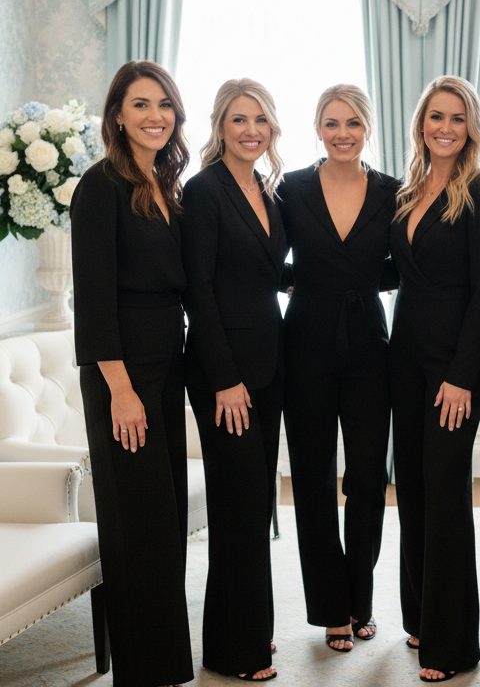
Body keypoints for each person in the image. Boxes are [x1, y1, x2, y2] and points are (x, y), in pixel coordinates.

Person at [70, 60, 193, 687]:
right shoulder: (100, 186)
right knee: (134, 521)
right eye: (141, 105)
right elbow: (93, 303)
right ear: (117, 114)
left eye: (164, 104)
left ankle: (167, 664)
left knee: (163, 518)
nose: (155, 116)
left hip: (164, 371)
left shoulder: (165, 184)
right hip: (124, 377)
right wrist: (120, 390)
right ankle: (142, 671)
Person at [389, 75, 480, 683]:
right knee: (411, 492)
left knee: (445, 495)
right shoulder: (408, 192)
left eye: (457, 118)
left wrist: (463, 375)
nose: (444, 127)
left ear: (470, 127)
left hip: (454, 366)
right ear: (421, 123)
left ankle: (453, 644)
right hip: (403, 358)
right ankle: (419, 617)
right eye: (435, 116)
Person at [278, 84, 398, 652]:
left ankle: (362, 600)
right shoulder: (291, 187)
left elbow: (410, 264)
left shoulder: (393, 192)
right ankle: (330, 607)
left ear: (367, 127)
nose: (342, 133)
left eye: (352, 122)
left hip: (371, 346)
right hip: (304, 342)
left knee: (369, 478)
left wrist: (360, 283)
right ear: (318, 128)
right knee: (313, 478)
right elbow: (263, 254)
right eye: (331, 123)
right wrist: (302, 282)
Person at [181, 78, 286, 682]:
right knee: (237, 504)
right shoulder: (204, 192)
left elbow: (264, 270)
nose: (251, 130)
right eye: (239, 120)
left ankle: (252, 630)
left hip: (267, 365)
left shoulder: (266, 191)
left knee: (254, 502)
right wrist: (223, 378)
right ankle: (232, 650)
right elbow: (200, 288)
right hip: (225, 374)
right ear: (220, 126)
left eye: (261, 120)